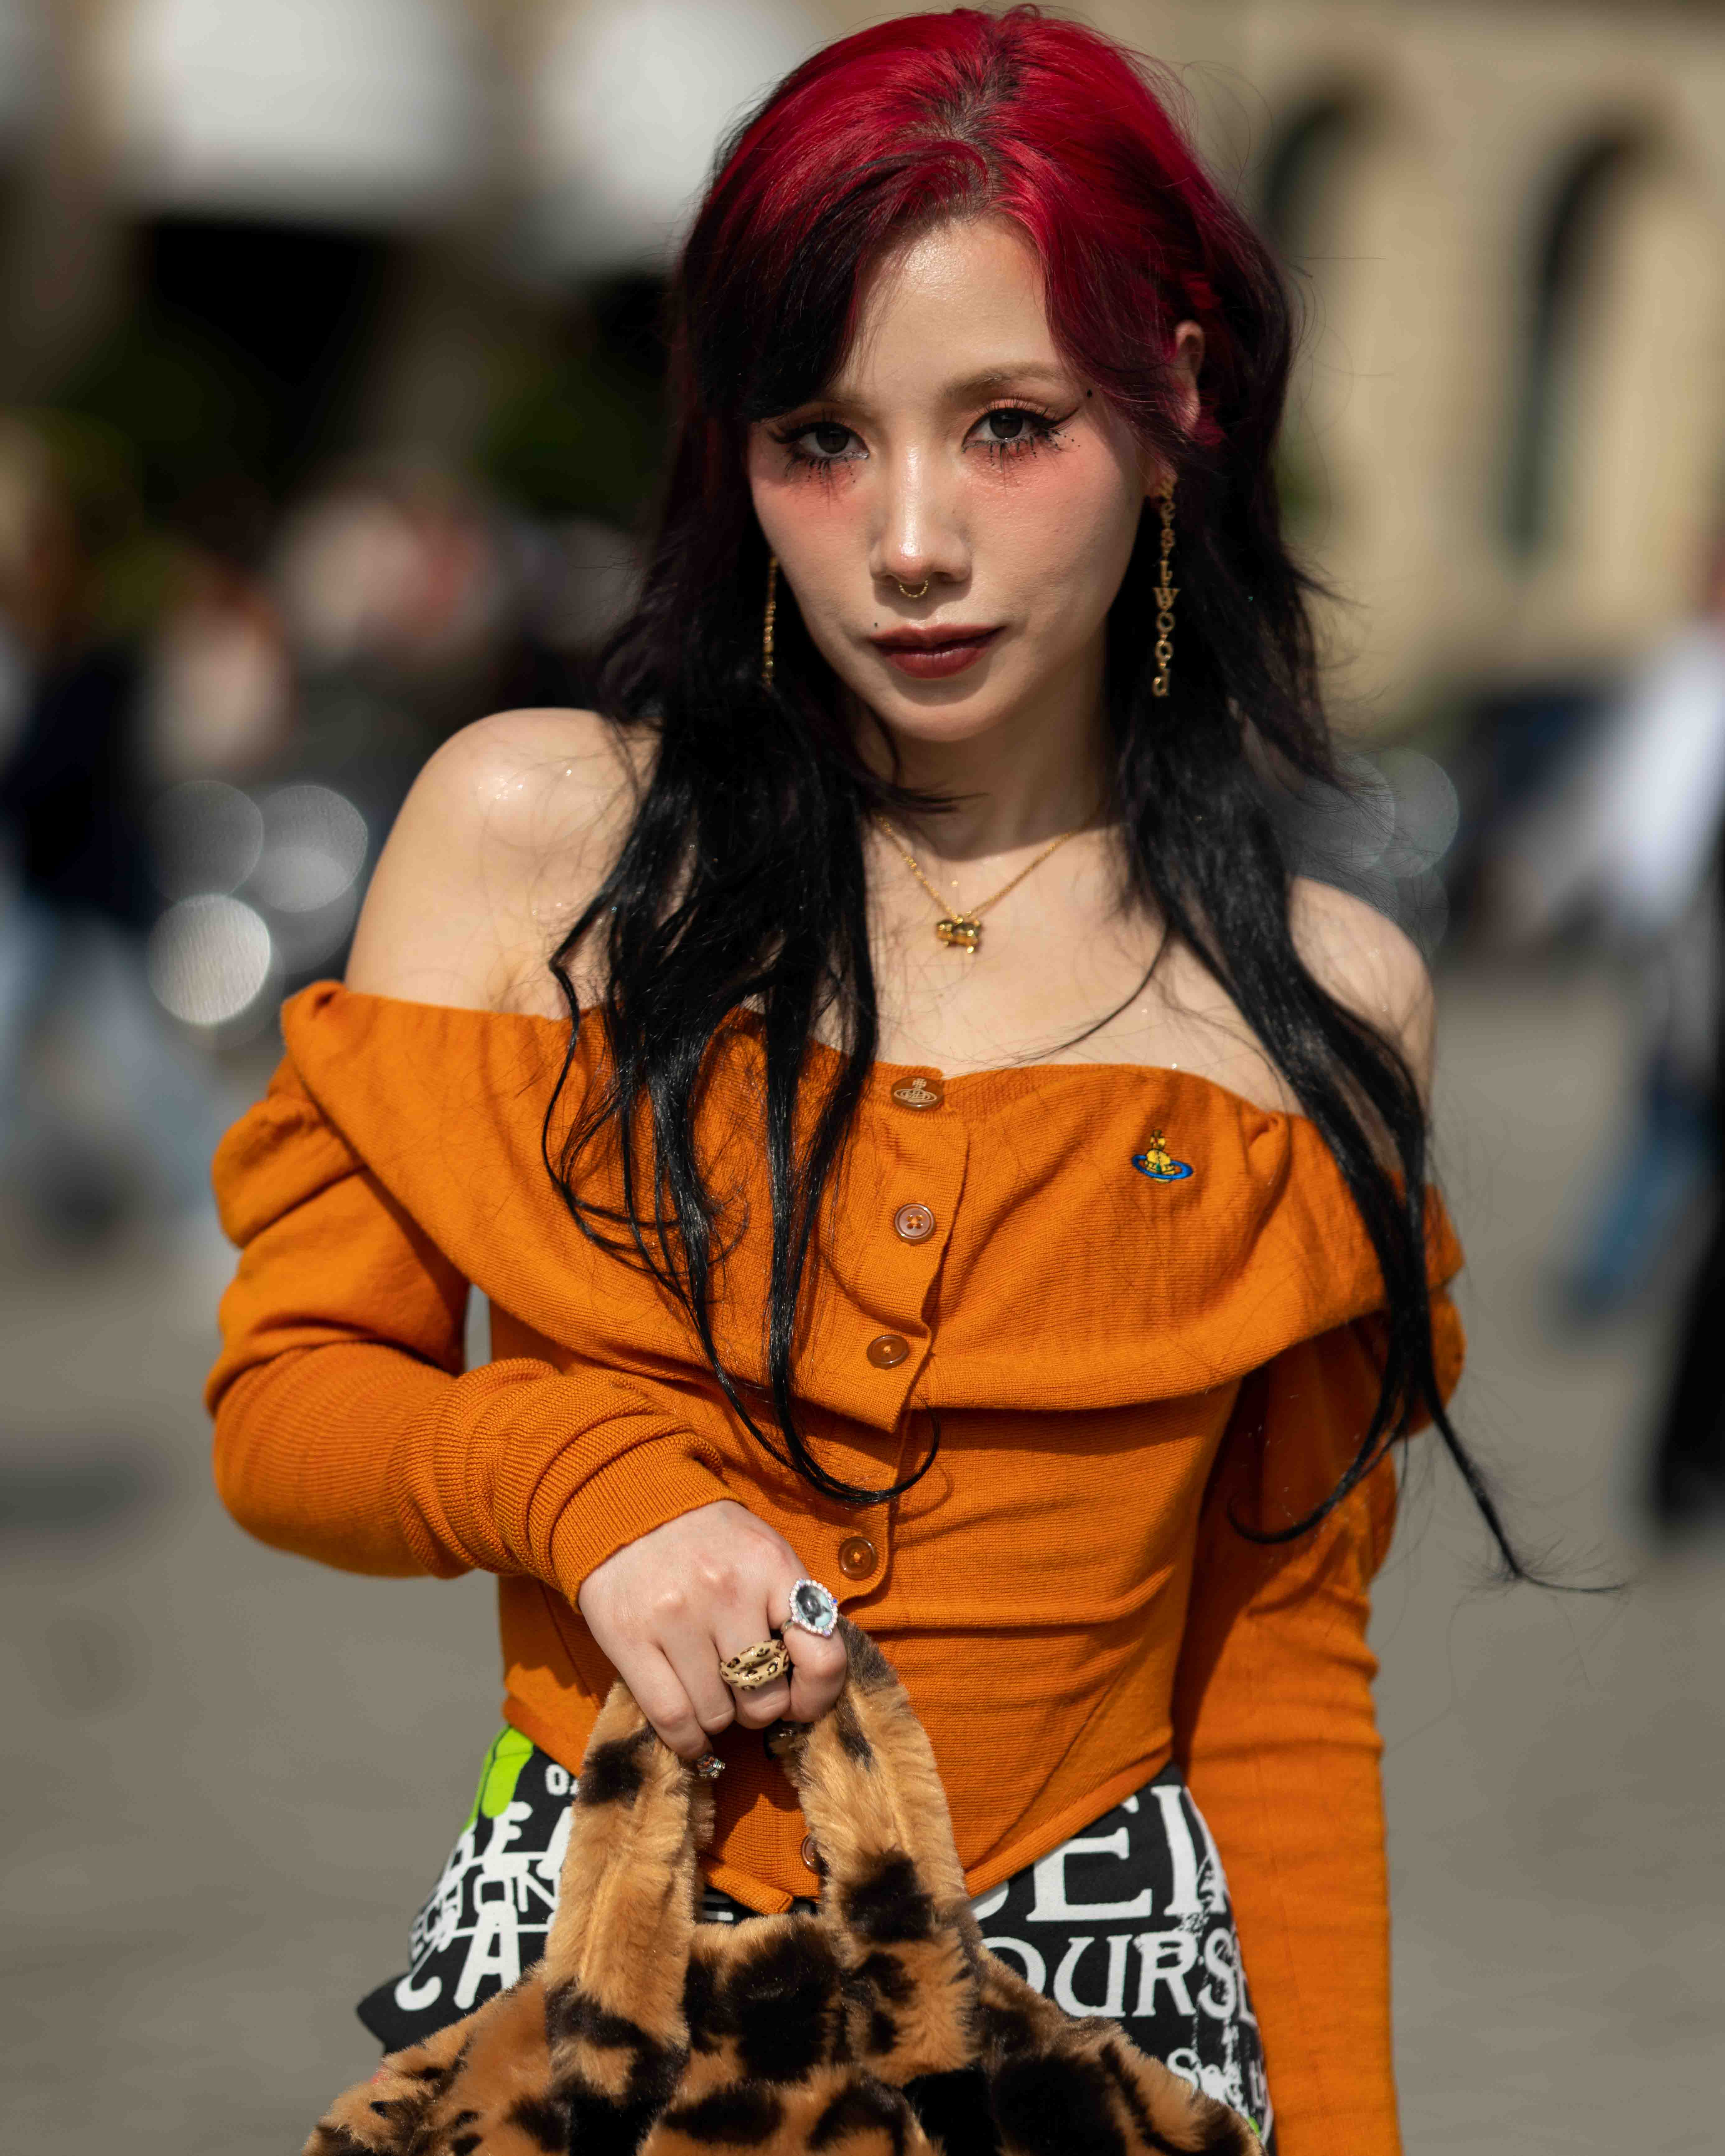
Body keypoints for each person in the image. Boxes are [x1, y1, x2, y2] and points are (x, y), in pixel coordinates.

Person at [207, 13, 1510, 2151]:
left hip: (1104, 2036)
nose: (909, 539)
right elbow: (288, 1407)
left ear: (1177, 401)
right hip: (596, 1990)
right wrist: (588, 1487)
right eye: (821, 439)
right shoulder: (544, 838)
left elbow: (1279, 1683)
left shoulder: (1323, 1012)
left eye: (1009, 425)